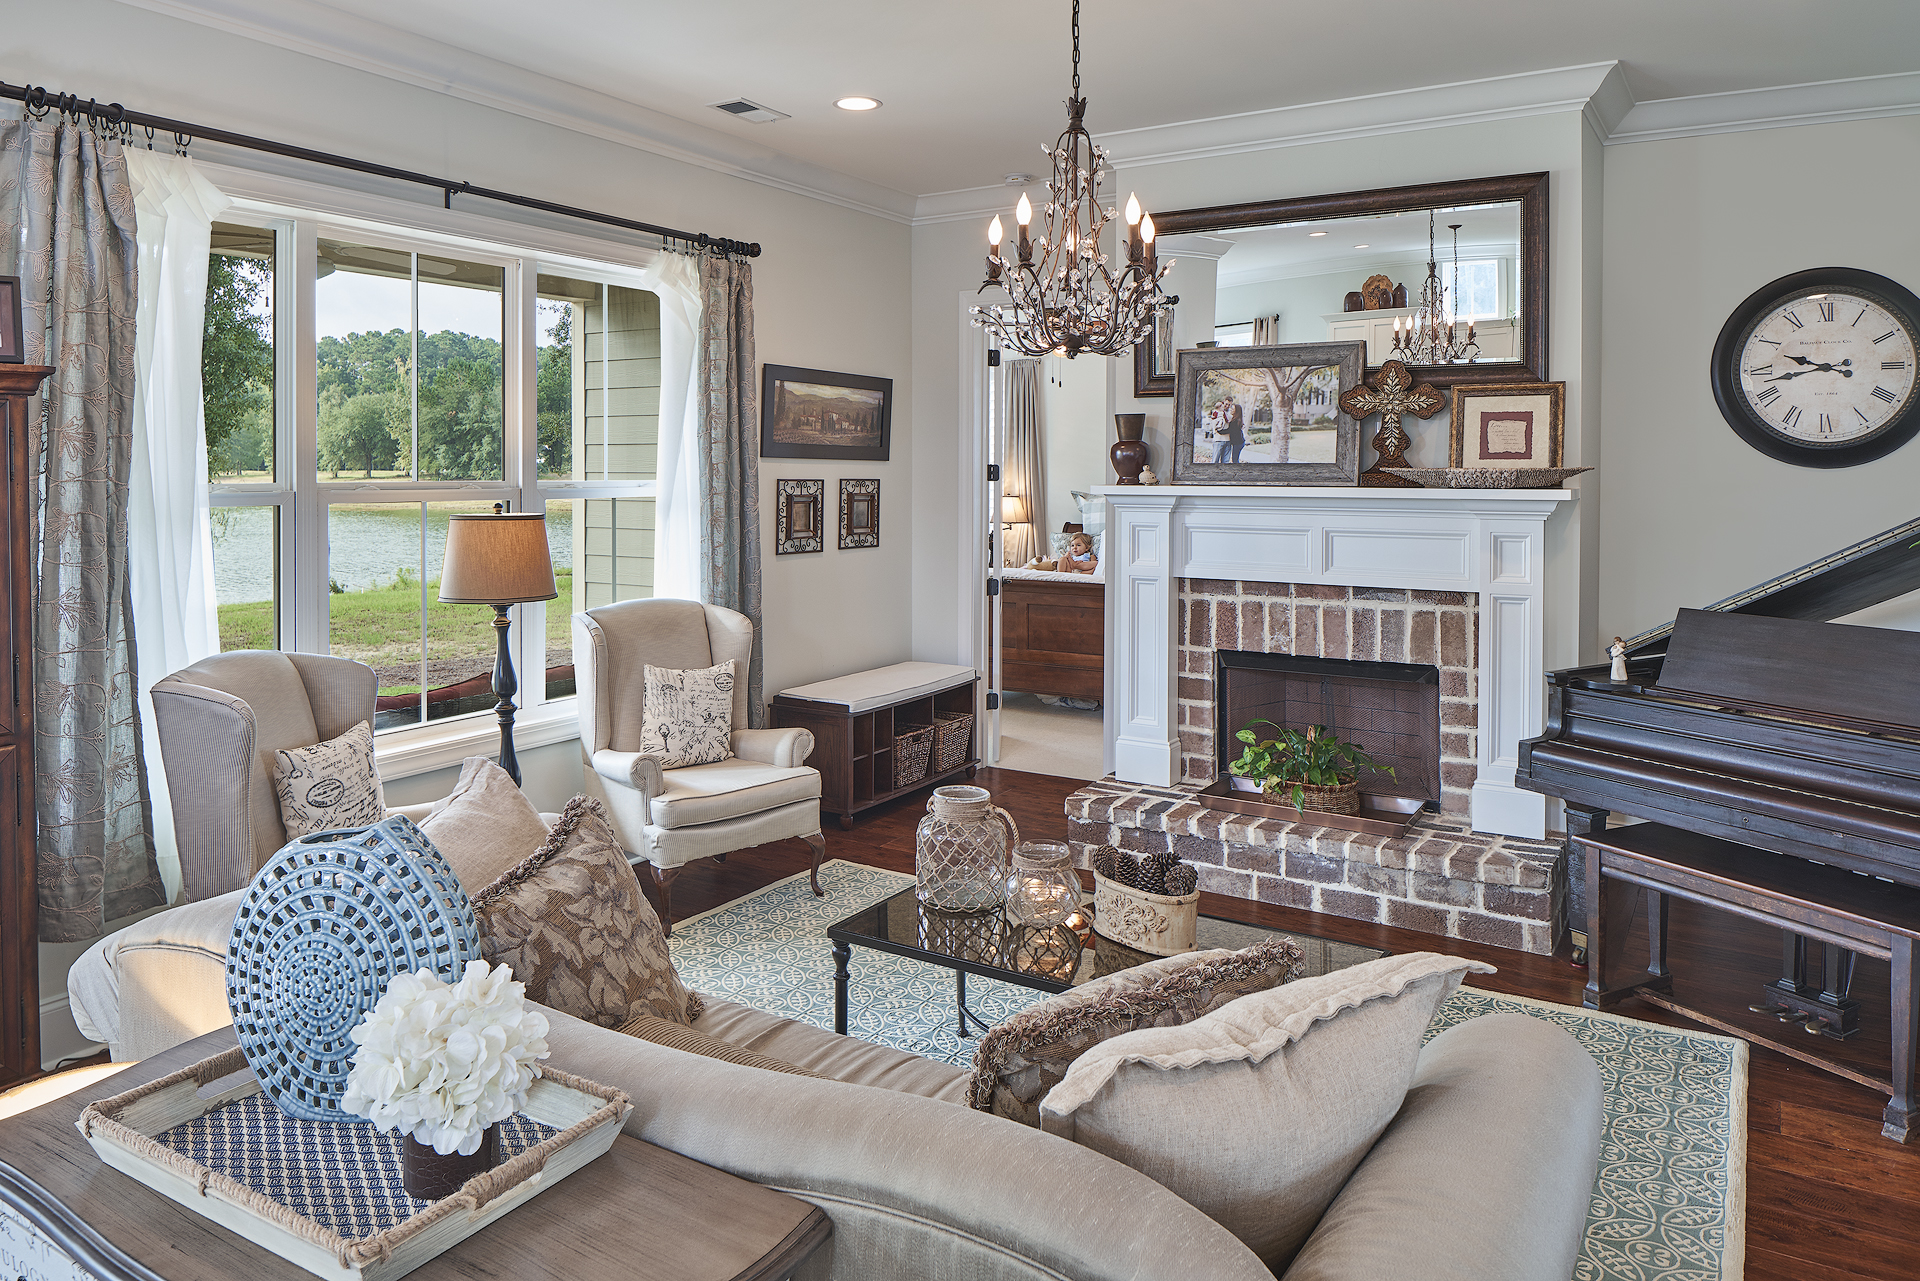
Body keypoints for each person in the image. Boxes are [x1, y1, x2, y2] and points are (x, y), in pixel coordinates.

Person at [1225, 397, 1246, 464]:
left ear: (1236, 411)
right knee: (1235, 459)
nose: (1231, 409)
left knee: (1235, 460)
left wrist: (1219, 431)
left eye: (1233, 409)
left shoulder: (1235, 421)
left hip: (1238, 443)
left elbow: (1229, 430)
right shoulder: (1237, 419)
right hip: (1240, 442)